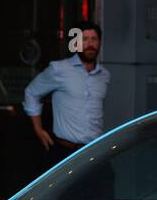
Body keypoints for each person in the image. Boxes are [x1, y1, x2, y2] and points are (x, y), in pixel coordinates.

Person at [23, 22, 110, 167]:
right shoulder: (59, 69)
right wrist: (38, 129)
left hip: (95, 152)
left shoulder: (104, 75)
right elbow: (31, 92)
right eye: (85, 39)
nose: (90, 44)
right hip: (65, 152)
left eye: (94, 39)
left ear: (99, 42)